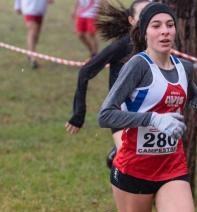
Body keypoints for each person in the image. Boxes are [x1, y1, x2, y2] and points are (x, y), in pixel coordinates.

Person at [98, 3, 197, 212]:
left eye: (170, 25)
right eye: (156, 26)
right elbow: (105, 114)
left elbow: (190, 91)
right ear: (145, 32)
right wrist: (153, 118)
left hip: (172, 169)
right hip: (134, 171)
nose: (165, 31)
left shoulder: (183, 67)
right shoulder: (137, 66)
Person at [65, 0, 151, 170]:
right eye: (143, 15)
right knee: (129, 161)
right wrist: (78, 114)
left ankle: (116, 155)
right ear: (132, 21)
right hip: (119, 112)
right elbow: (85, 72)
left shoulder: (161, 45)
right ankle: (117, 159)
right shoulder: (123, 45)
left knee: (146, 160)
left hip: (148, 112)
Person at [14, 0, 53, 68]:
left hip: (40, 9)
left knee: (36, 35)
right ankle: (33, 58)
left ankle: (30, 52)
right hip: (28, 8)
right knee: (32, 31)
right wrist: (17, 6)